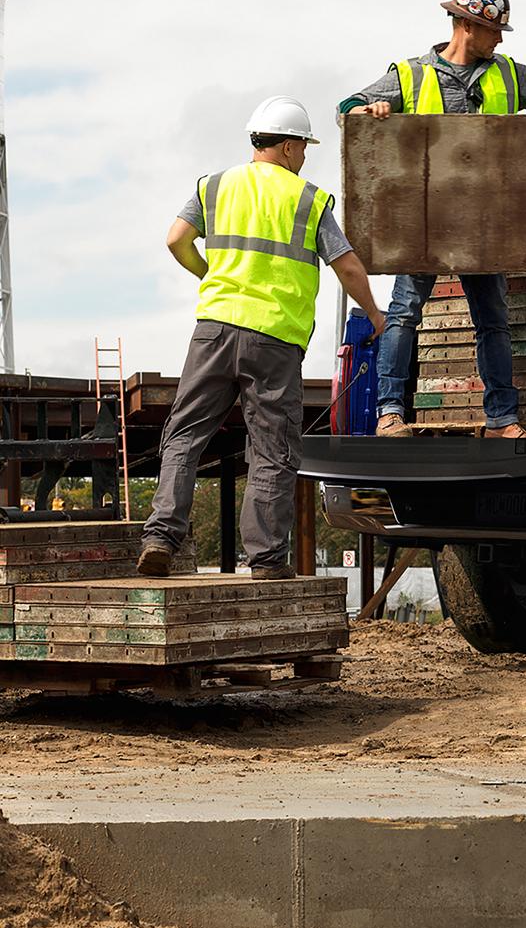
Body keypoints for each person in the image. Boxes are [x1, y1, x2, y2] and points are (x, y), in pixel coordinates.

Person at [340, 0, 526, 438]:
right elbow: (350, 105)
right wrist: (364, 112)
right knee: (404, 313)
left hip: (484, 222)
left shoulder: (509, 75)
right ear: (469, 26)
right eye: (495, 30)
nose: (500, 39)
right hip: (426, 219)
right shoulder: (410, 75)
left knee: (492, 319)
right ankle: (390, 412)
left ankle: (502, 418)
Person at [137, 97, 386, 579]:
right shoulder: (307, 199)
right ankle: (267, 560)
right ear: (290, 146)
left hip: (213, 329)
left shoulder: (215, 186)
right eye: (305, 148)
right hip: (274, 338)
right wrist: (376, 317)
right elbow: (348, 265)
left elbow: (175, 239)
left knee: (185, 434)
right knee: (272, 449)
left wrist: (211, 275)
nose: (305, 157)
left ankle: (161, 537)